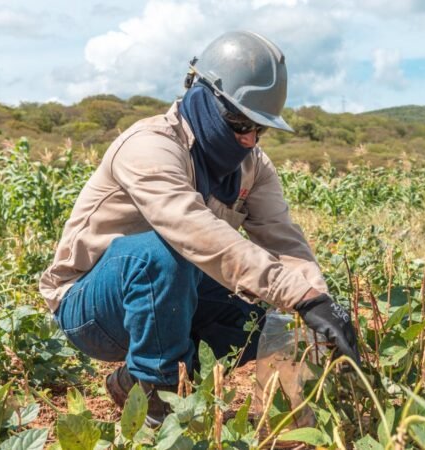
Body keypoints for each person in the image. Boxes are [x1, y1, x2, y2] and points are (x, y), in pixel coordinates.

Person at [39, 30, 359, 426]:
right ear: (203, 94)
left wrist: (320, 305)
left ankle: (136, 381)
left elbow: (283, 240)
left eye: (260, 128)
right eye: (239, 122)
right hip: (92, 308)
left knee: (262, 322)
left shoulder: (253, 167)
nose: (248, 138)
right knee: (165, 253)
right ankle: (159, 412)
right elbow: (194, 232)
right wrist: (300, 296)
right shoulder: (150, 145)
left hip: (172, 292)